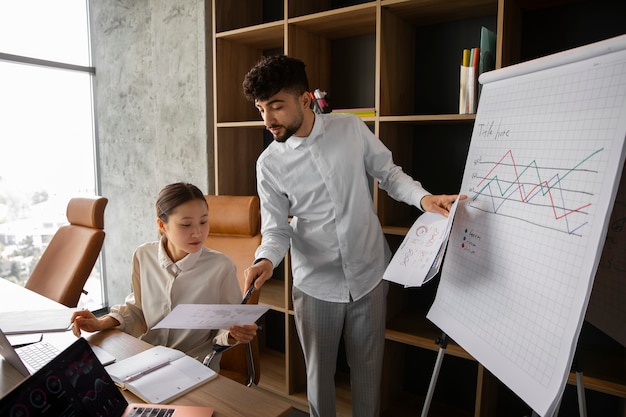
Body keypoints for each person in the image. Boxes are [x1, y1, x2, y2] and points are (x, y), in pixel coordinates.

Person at [242, 54, 465, 417]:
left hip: (370, 276)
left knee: (367, 374)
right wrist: (265, 260)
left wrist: (425, 199)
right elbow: (276, 228)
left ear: (304, 99)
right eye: (261, 109)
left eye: (276, 107)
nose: (267, 120)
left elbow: (389, 175)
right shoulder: (269, 164)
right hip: (315, 286)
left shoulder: (350, 129)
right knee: (319, 377)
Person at [71, 182, 257, 371]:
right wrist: (100, 322)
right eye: (186, 224)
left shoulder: (221, 266)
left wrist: (235, 334)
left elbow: (226, 326)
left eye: (203, 222)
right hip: (146, 357)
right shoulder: (143, 255)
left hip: (193, 366)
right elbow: (137, 309)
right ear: (162, 225)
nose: (198, 232)